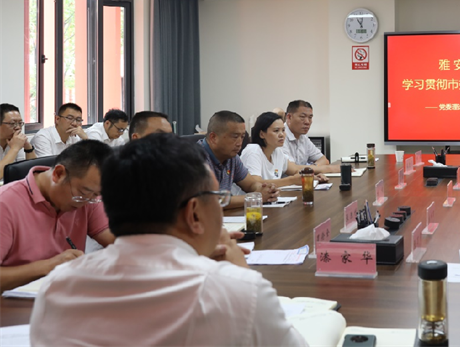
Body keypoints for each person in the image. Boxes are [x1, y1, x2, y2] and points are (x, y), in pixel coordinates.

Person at [29, 133, 308, 347]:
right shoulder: (239, 290)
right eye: (217, 198)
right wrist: (240, 271)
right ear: (194, 213)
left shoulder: (58, 287)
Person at [0, 141, 115, 291]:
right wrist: (48, 266)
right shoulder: (6, 203)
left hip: (64, 295)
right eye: (83, 193)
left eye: (96, 195)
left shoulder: (88, 197)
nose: (87, 201)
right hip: (14, 301)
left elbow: (114, 240)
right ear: (58, 174)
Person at [200, 111, 279, 209]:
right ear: (213, 138)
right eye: (235, 137)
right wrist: (256, 197)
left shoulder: (232, 157)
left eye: (242, 137)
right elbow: (210, 201)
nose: (239, 143)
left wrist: (265, 190)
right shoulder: (195, 158)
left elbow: (251, 184)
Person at [238, 112, 329, 192]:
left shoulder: (277, 151)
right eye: (276, 131)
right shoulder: (253, 150)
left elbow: (295, 170)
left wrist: (312, 177)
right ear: (262, 134)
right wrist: (291, 180)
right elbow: (255, 183)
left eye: (283, 130)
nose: (282, 135)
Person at [282, 100, 338, 173]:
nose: (307, 122)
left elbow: (324, 160)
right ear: (289, 117)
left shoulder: (303, 137)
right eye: (302, 117)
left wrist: (313, 168)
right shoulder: (280, 136)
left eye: (310, 117)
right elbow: (292, 169)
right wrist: (326, 169)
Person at [0, 103, 35, 174]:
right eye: (12, 123)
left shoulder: (16, 141)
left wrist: (28, 148)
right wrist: (14, 148)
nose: (18, 127)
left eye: (20, 123)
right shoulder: (16, 145)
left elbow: (33, 173)